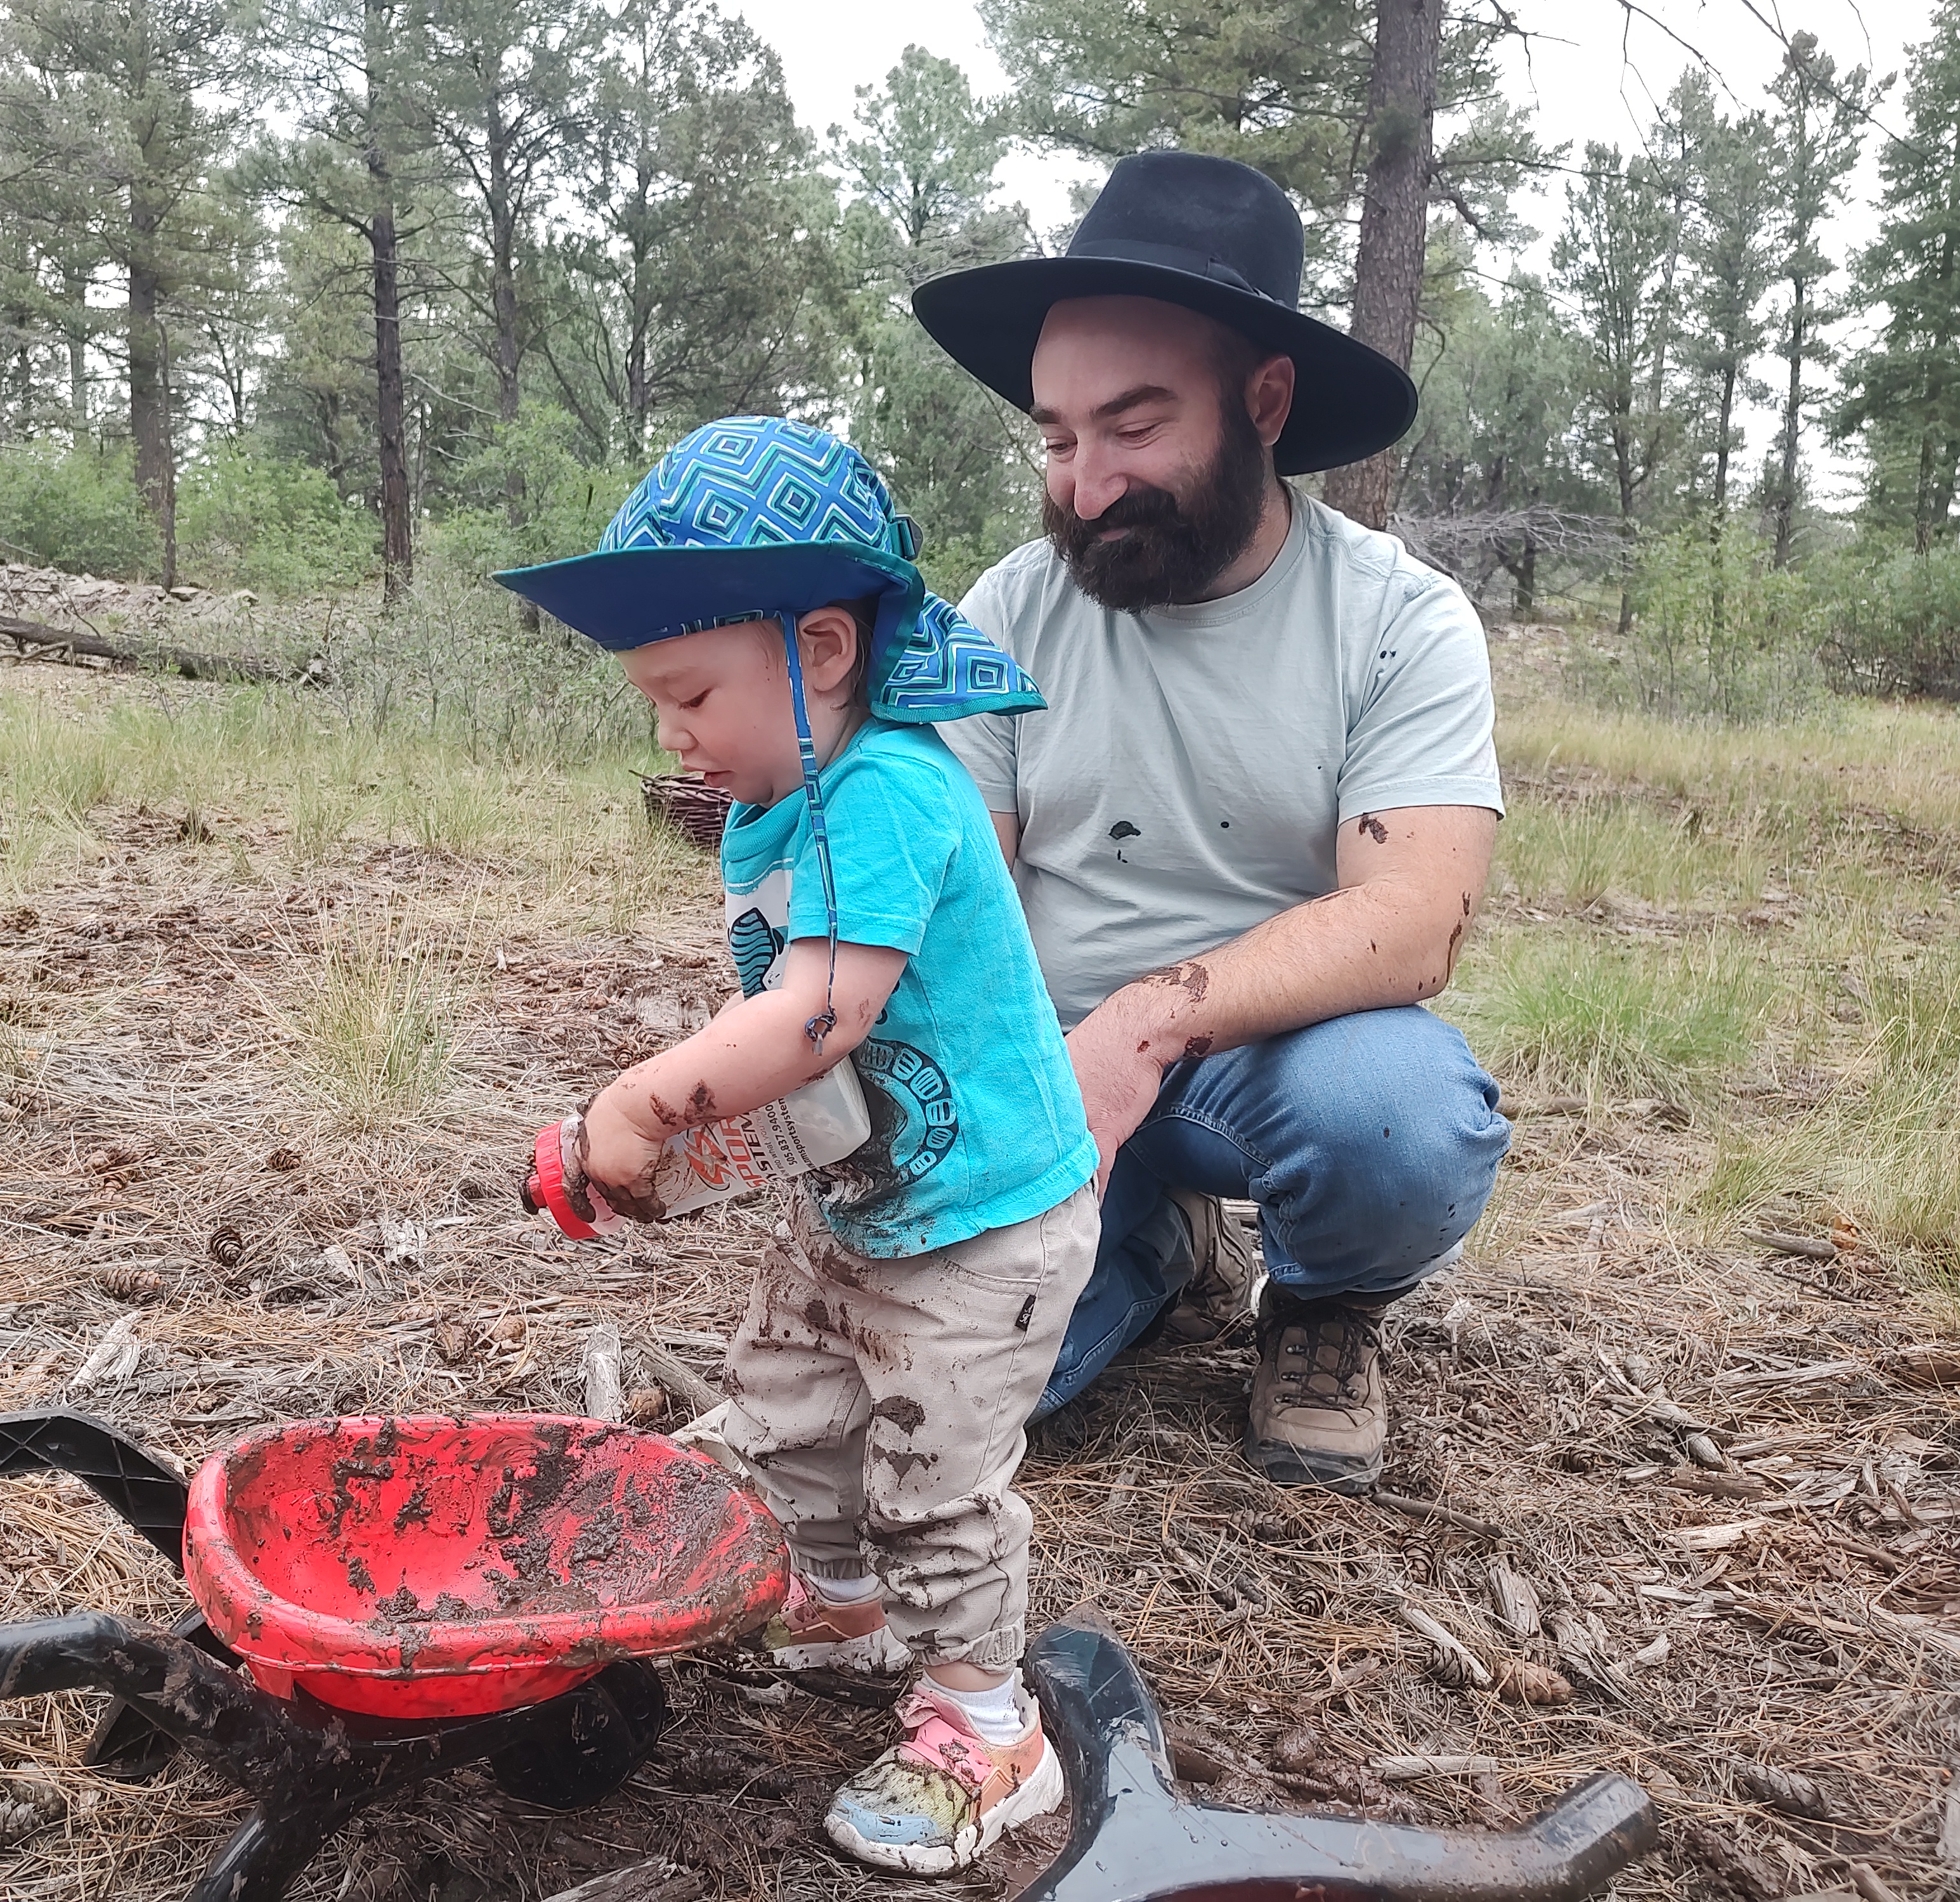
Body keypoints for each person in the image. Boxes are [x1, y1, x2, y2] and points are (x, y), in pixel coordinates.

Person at [496, 417, 1098, 1875]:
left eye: (691, 690)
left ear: (819, 648)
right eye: (655, 700)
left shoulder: (890, 790)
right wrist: (691, 1144)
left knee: (931, 1472)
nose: (671, 732)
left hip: (983, 1225)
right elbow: (775, 1020)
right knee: (789, 1402)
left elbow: (823, 1012)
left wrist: (644, 1098)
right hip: (861, 1201)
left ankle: (984, 1721)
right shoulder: (778, 811)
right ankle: (838, 1600)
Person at [910, 151, 1514, 1493]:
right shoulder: (1001, 613)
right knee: (943, 1397)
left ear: (1264, 401)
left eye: (1132, 427)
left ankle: (1317, 1297)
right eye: (1057, 438)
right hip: (1046, 1069)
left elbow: (1413, 917)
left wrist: (1145, 1021)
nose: (1084, 485)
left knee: (1395, 1120)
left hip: (1283, 1064)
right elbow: (955, 892)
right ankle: (1147, 1242)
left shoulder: (1395, 620)